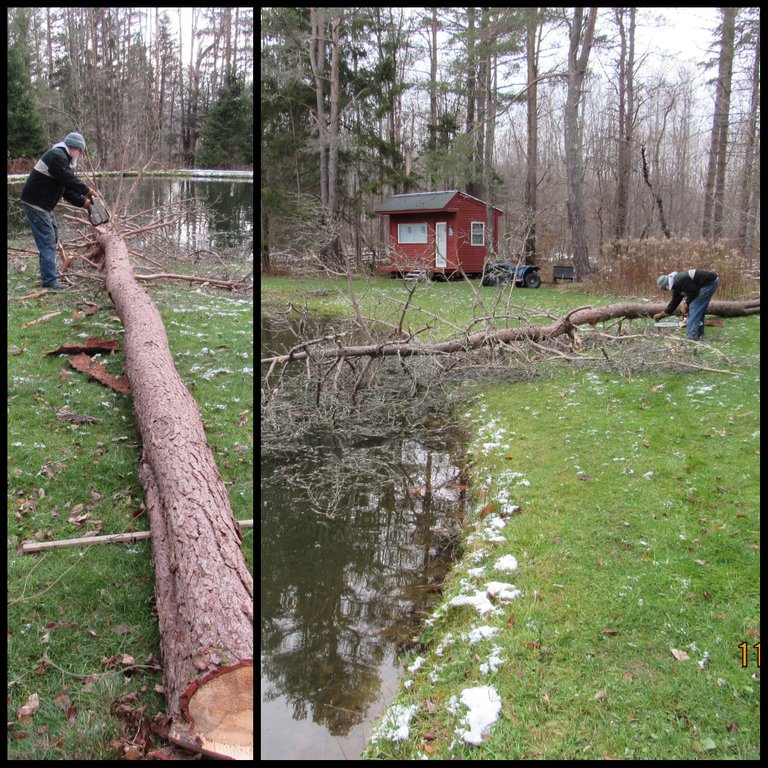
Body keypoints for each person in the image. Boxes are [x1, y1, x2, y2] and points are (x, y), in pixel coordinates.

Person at [20, 132, 97, 290]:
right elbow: (70, 181)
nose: (79, 155)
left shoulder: (62, 161)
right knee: (47, 239)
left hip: (43, 204)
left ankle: (47, 274)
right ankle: (49, 280)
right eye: (80, 151)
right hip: (36, 202)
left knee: (52, 235)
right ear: (74, 148)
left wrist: (85, 204)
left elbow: (66, 190)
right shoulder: (57, 156)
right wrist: (88, 190)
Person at [653, 269, 720, 340]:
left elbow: (694, 291)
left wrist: (687, 303)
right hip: (708, 283)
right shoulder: (676, 284)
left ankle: (691, 336)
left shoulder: (679, 281)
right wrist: (665, 313)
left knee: (694, 308)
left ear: (666, 285)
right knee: (698, 309)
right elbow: (675, 300)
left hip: (709, 283)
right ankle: (699, 334)